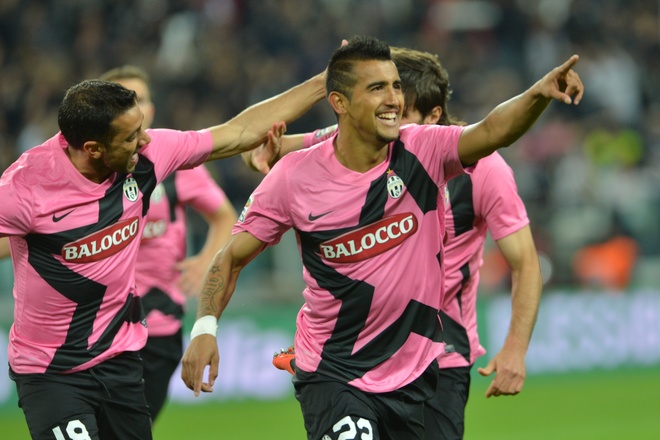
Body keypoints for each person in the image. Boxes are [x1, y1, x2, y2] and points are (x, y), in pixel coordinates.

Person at [181, 36, 582, 440]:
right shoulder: (293, 177)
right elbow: (230, 258)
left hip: (421, 367)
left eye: (396, 86)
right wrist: (203, 330)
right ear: (339, 102)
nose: (393, 99)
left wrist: (538, 95)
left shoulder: (425, 149)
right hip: (335, 372)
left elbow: (495, 130)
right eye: (378, 88)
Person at [0, 64, 326, 439]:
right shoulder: (26, 188)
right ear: (93, 149)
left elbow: (239, 132)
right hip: (51, 373)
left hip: (120, 361)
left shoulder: (151, 156)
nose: (144, 142)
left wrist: (322, 83)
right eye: (130, 138)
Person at [264, 46, 543, 439]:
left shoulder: (482, 170)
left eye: (401, 111)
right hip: (355, 356)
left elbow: (526, 262)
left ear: (432, 117)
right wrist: (269, 149)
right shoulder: (371, 144)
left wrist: (515, 346)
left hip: (440, 354)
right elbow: (277, 148)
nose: (392, 122)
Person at [99, 65, 239, 423]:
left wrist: (206, 258)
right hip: (100, 328)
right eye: (120, 99)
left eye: (139, 99)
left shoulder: (174, 164)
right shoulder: (91, 171)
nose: (133, 107)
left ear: (151, 108)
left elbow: (224, 215)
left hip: (157, 327)